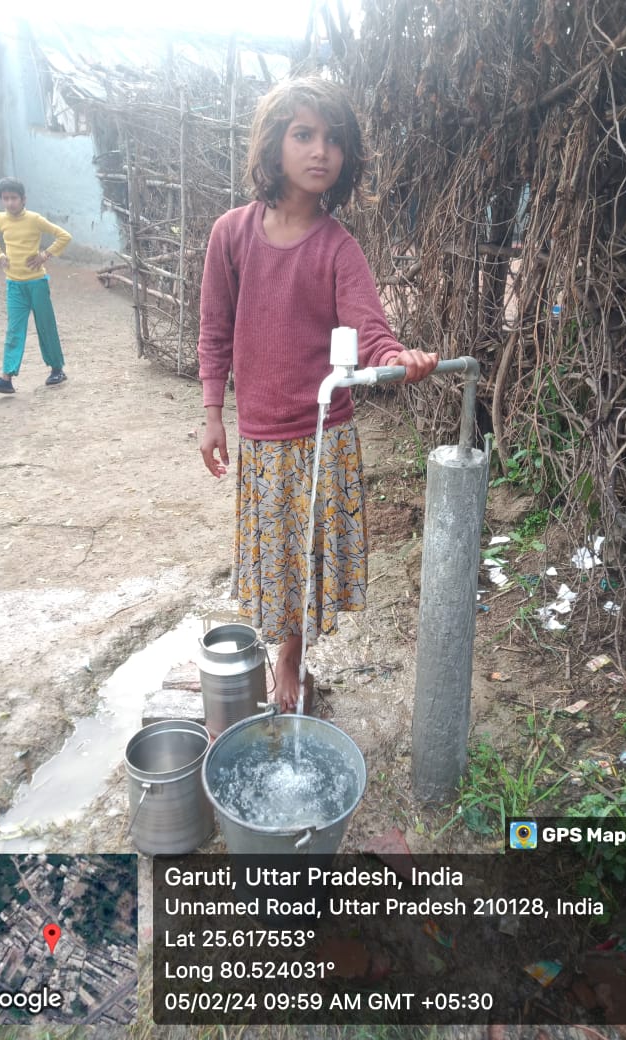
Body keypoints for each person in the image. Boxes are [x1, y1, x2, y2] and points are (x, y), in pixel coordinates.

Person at [198, 77, 437, 712]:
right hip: (262, 434)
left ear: (346, 156)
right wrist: (211, 412)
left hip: (323, 435)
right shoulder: (231, 234)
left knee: (306, 560)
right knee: (274, 558)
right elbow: (215, 328)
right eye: (303, 134)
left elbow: (369, 328)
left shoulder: (338, 247)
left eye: (333, 139)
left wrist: (395, 358)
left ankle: (289, 659)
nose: (319, 151)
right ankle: (278, 651)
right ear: (273, 143)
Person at [0, 177, 71, 393]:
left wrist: (45, 255)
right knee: (14, 330)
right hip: (14, 284)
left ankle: (57, 369)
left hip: (37, 283)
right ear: (1, 200)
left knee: (45, 326)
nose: (10, 203)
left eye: (14, 198)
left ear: (23, 199)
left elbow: (64, 236)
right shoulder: (0, 219)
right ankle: (6, 378)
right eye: (5, 198)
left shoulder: (34, 219)